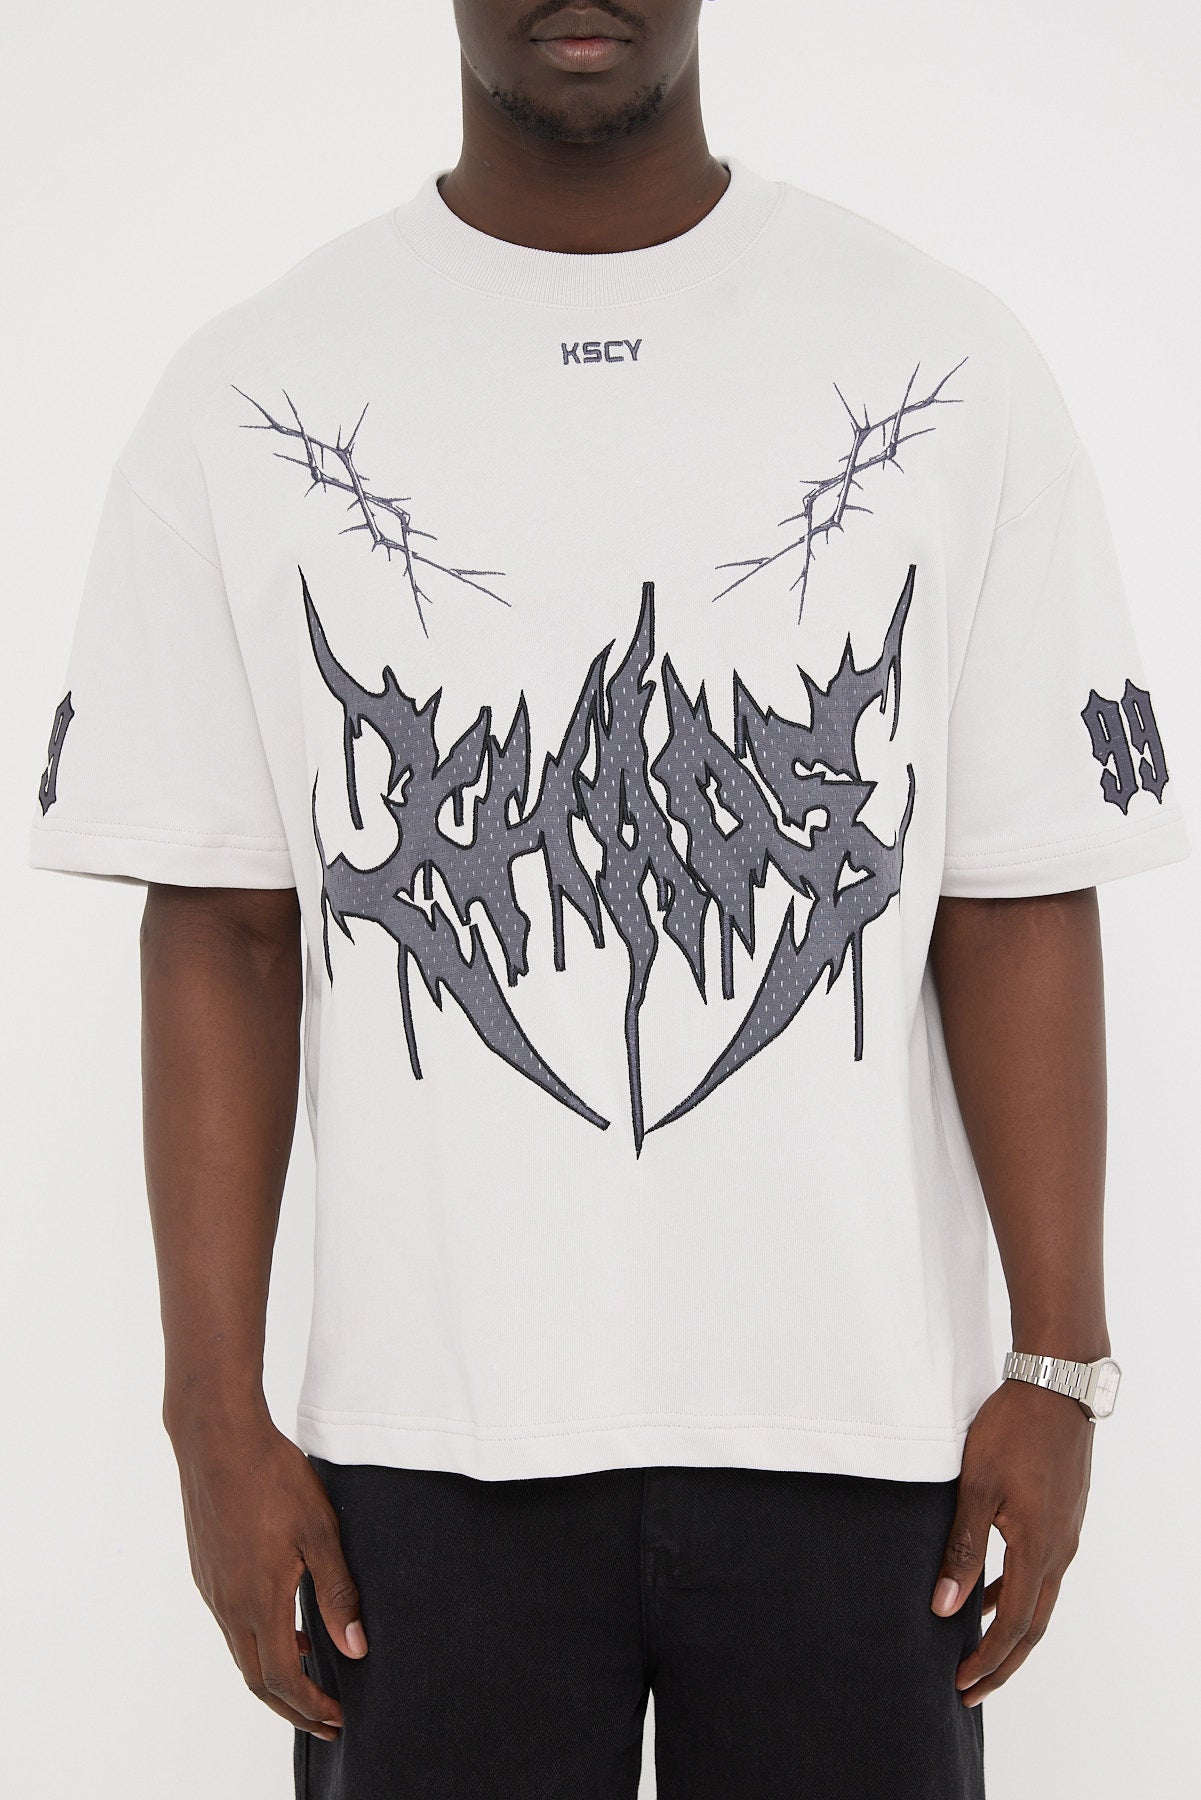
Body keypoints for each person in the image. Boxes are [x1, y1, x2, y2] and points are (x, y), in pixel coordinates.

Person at [29, 3, 1189, 1795]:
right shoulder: (255, 392)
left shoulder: (941, 364)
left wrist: (1060, 1362)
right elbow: (223, 926)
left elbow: (1009, 891)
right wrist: (209, 1414)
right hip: (417, 1459)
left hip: (856, 1442)